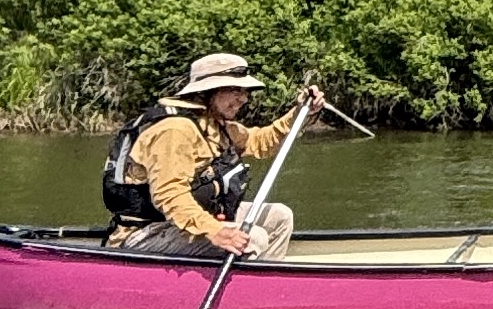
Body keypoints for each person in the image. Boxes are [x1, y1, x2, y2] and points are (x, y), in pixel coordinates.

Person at [101, 53, 325, 260]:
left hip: (185, 222)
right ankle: (240, 297)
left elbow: (261, 142)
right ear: (208, 92)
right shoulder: (174, 130)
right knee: (253, 238)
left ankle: (261, 290)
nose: (243, 99)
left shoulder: (213, 124)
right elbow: (170, 196)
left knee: (279, 217)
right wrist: (215, 230)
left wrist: (300, 113)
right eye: (235, 91)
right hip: (146, 233)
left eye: (245, 92)